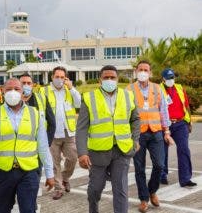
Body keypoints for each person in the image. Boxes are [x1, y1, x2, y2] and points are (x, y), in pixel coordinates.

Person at [0, 78, 54, 213]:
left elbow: (43, 147)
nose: (12, 92)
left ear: (22, 93)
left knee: (28, 209)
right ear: (2, 92)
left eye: (16, 89)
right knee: (3, 209)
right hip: (2, 172)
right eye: (8, 89)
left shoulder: (36, 114)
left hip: (29, 172)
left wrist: (50, 174)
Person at [76, 65, 140, 213]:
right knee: (95, 189)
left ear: (117, 79)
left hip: (122, 149)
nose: (109, 80)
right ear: (100, 79)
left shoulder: (127, 95)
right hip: (98, 152)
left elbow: (135, 119)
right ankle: (93, 208)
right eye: (106, 77)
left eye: (113, 77)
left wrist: (135, 140)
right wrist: (82, 153)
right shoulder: (89, 98)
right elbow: (82, 128)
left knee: (120, 189)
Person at [126, 60, 174, 213]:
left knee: (159, 165)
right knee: (139, 168)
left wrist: (166, 131)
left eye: (146, 69)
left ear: (150, 72)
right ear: (136, 71)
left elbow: (163, 111)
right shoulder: (129, 89)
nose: (143, 72)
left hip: (156, 132)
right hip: (138, 134)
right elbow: (125, 113)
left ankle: (152, 190)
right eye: (140, 69)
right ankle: (144, 199)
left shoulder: (157, 88)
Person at [39, 66, 81, 200]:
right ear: (52, 77)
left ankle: (65, 178)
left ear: (66, 78)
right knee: (54, 163)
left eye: (62, 77)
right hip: (51, 134)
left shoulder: (69, 91)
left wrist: (72, 88)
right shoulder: (44, 90)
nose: (59, 79)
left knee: (73, 158)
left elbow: (79, 103)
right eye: (57, 77)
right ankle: (58, 188)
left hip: (68, 132)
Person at [160, 68, 197, 187]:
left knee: (184, 150)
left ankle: (185, 179)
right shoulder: (157, 90)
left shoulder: (180, 88)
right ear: (163, 79)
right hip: (165, 124)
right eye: (168, 78)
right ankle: (162, 175)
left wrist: (189, 122)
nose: (171, 80)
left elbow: (186, 106)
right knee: (162, 151)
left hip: (181, 124)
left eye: (172, 77)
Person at [19, 72, 56, 146]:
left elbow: (52, 124)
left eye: (29, 83)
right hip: (19, 144)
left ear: (32, 85)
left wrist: (47, 143)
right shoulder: (13, 100)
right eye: (23, 83)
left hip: (38, 143)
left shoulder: (42, 98)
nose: (26, 85)